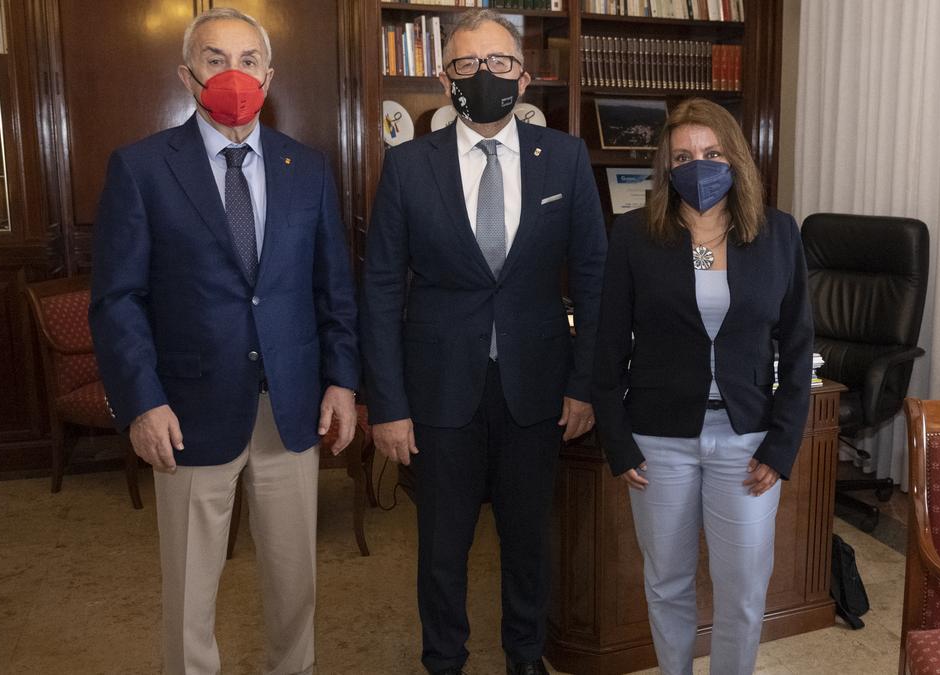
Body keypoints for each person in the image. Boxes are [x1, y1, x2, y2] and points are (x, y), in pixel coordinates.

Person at [88, 8, 359, 674]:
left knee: (295, 588)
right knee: (189, 593)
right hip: (186, 412)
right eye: (215, 59)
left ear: (268, 74)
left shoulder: (309, 169)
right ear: (187, 74)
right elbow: (118, 299)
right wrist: (142, 401)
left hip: (291, 408)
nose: (232, 74)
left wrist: (343, 381)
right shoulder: (141, 168)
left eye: (246, 60)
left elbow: (335, 289)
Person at [360, 9, 606, 675]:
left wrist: (584, 385)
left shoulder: (566, 157)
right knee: (442, 546)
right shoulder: (408, 167)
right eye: (467, 64)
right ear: (446, 79)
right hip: (439, 394)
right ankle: (444, 658)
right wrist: (386, 404)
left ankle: (525, 657)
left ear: (523, 78)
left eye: (499, 63)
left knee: (528, 541)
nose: (484, 75)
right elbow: (380, 289)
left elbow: (593, 277)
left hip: (537, 388)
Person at [590, 98, 813, 675]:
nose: (700, 164)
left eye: (712, 153)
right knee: (667, 583)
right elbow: (607, 345)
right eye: (684, 155)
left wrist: (782, 444)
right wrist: (617, 441)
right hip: (658, 440)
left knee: (742, 592)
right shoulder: (635, 235)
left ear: (735, 158)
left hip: (747, 443)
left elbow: (796, 350)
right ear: (666, 166)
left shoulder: (779, 234)